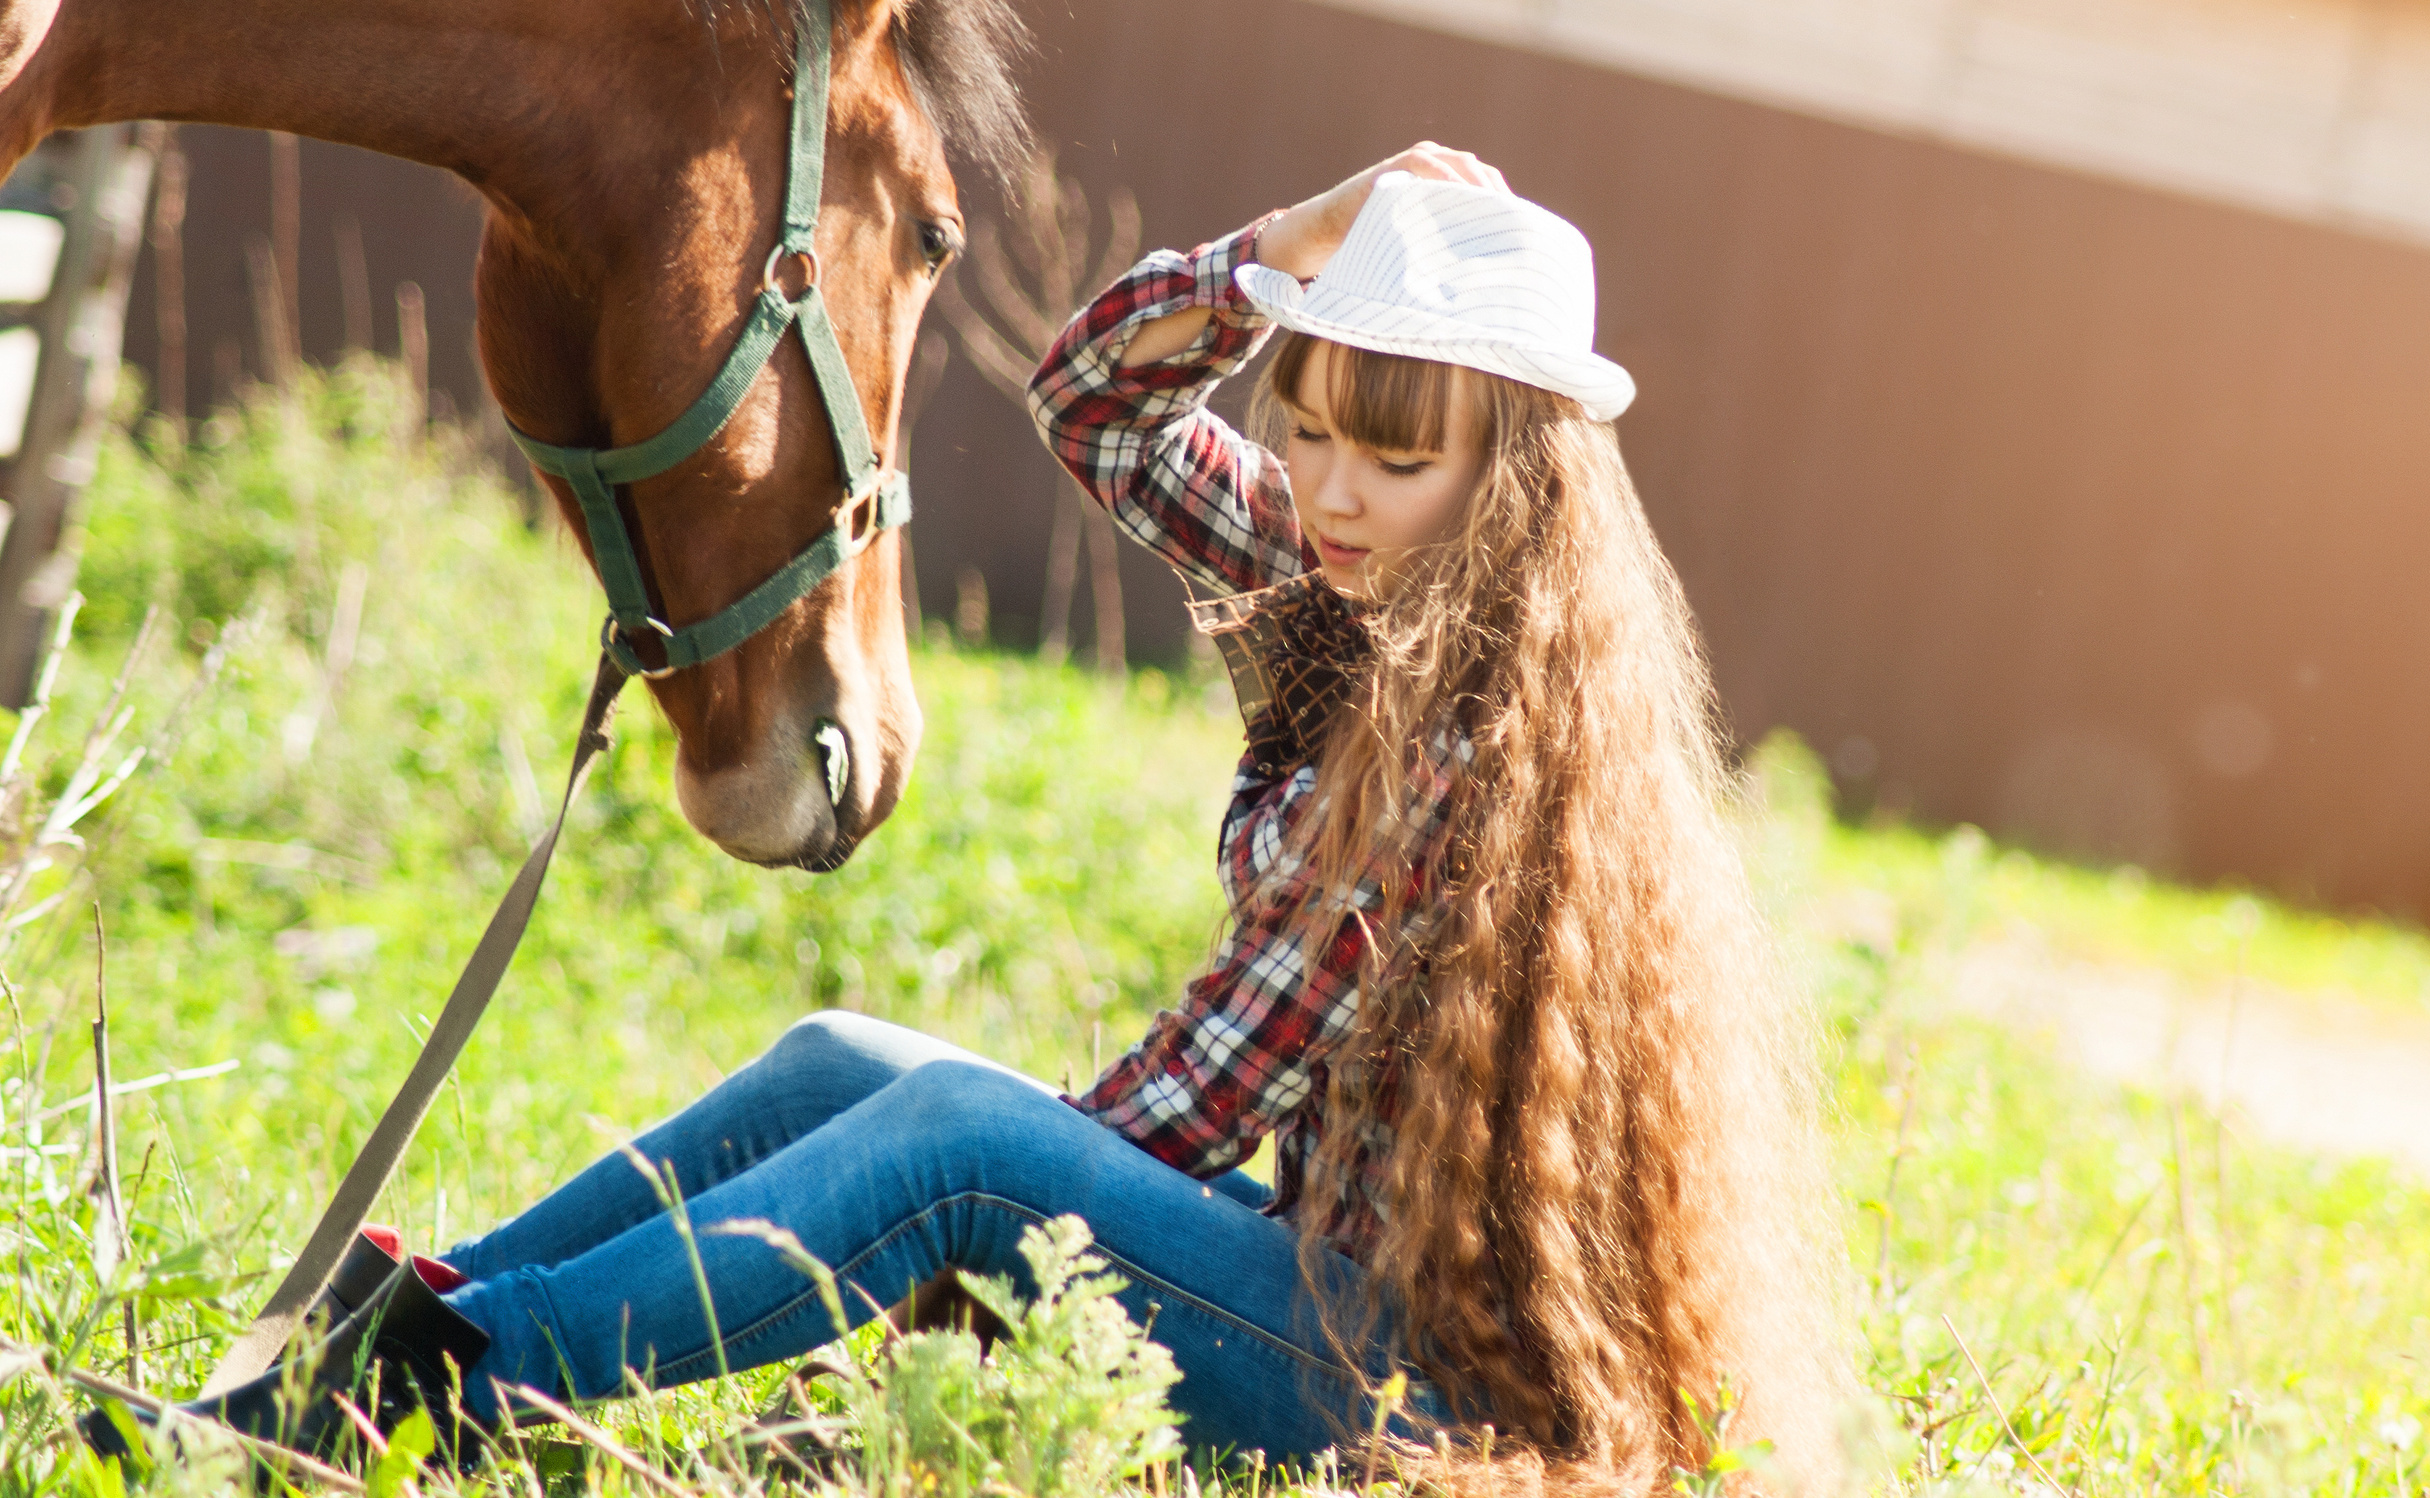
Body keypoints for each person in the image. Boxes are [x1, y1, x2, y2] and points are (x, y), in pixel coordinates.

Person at [94, 144, 1845, 1492]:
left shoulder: (1476, 746)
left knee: (961, 1147)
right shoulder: (1344, 587)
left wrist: (937, 1267)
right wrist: (1283, 248)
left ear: (1507, 473)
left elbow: (1183, 1114)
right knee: (848, 1053)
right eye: (1307, 431)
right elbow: (1097, 398)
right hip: (1297, 1281)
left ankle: (431, 1396)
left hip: (1388, 1382)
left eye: (1394, 460)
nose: (1328, 491)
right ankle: (381, 1325)